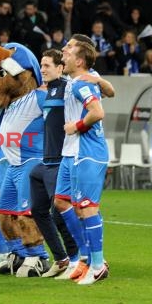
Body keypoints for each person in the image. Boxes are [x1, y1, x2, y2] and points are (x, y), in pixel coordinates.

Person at [61, 36, 110, 285]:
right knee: (81, 208)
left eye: (68, 49)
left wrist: (75, 126)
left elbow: (97, 112)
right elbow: (109, 92)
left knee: (88, 207)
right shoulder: (78, 81)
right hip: (82, 152)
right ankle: (91, 261)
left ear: (79, 60)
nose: (63, 51)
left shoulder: (81, 84)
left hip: (89, 151)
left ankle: (98, 265)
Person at [29, 49, 79, 278]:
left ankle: (79, 259)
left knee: (59, 213)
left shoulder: (68, 87)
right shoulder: (49, 90)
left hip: (60, 161)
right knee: (38, 210)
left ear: (60, 68)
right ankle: (61, 259)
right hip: (45, 161)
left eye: (47, 65)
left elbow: (90, 87)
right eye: (41, 65)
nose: (42, 69)